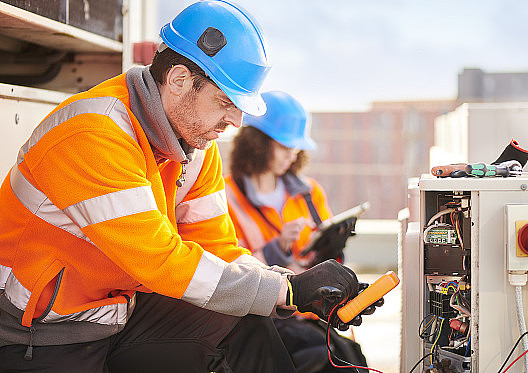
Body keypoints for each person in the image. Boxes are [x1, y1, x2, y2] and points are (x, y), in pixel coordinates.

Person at [0, 1, 375, 372]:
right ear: (179, 80)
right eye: (226, 101)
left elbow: (219, 249)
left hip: (116, 315)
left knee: (247, 318)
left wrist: (299, 286)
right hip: (39, 334)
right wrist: (287, 291)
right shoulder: (95, 134)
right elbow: (160, 260)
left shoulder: (194, 144)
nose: (236, 120)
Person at [225, 91, 367, 372]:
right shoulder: (226, 196)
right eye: (283, 146)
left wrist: (331, 250)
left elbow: (324, 257)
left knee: (352, 361)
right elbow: (228, 272)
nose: (291, 156)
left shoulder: (310, 193)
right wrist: (277, 247)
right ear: (257, 143)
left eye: (296, 148)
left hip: (312, 319)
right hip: (265, 322)